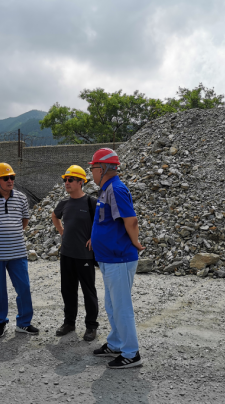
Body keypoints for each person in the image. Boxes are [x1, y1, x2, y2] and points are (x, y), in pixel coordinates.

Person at [89, 148, 145, 369]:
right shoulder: (107, 189)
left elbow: (131, 221)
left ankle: (131, 353)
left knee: (121, 307)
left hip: (119, 258)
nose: (91, 173)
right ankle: (116, 344)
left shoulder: (116, 189)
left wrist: (136, 242)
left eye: (93, 168)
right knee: (112, 305)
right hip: (109, 258)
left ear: (102, 168)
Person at [0, 162, 39, 338]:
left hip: (17, 253)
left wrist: (11, 232)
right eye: (5, 178)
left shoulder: (21, 198)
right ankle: (0, 322)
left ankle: (24, 323)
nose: (10, 180)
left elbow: (25, 221)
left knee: (24, 287)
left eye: (12, 177)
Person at [51, 165, 99, 341]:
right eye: (65, 180)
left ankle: (91, 326)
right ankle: (69, 323)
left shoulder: (91, 202)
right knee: (68, 290)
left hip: (85, 255)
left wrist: (94, 237)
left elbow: (102, 222)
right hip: (67, 254)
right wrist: (61, 231)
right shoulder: (64, 203)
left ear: (81, 182)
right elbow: (54, 216)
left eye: (70, 180)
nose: (67, 183)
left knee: (88, 292)